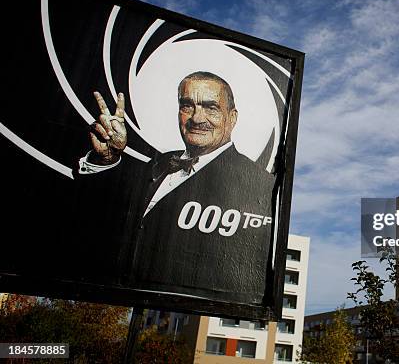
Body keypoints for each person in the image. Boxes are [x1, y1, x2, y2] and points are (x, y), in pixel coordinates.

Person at [75, 71, 276, 305]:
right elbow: (100, 214)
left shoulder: (258, 185)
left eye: (211, 108)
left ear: (232, 118)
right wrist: (107, 159)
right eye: (187, 106)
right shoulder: (159, 163)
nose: (197, 118)